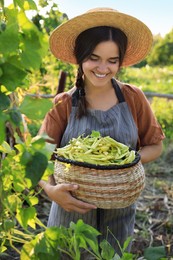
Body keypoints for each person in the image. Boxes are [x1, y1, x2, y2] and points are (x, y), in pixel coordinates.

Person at [38, 7, 165, 256]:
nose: (102, 68)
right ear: (80, 57)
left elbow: (155, 145)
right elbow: (40, 156)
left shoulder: (133, 98)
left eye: (112, 60)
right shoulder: (64, 102)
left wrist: (127, 162)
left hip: (118, 214)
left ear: (120, 61)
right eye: (94, 58)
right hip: (70, 214)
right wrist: (52, 191)